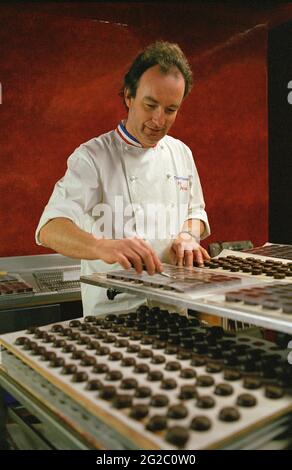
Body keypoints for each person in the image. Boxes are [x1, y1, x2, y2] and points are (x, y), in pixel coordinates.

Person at [35, 41, 210, 315]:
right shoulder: (92, 157)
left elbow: (196, 211)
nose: (158, 120)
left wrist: (188, 235)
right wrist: (100, 246)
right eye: (150, 105)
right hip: (114, 314)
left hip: (174, 311)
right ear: (129, 96)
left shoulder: (181, 153)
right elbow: (50, 228)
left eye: (171, 109)